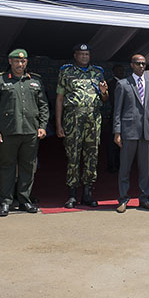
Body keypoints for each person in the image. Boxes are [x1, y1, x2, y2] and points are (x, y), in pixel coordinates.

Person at [0, 49, 49, 217]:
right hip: (8, 131)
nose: (20, 64)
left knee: (28, 166)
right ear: (10, 62)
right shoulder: (0, 80)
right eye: (17, 61)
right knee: (7, 166)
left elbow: (43, 105)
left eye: (23, 61)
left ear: (26, 62)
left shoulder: (35, 81)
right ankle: (5, 201)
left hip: (30, 131)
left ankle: (24, 200)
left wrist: (42, 126)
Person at [55, 43, 108, 208]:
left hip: (93, 119)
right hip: (73, 119)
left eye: (87, 54)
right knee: (73, 156)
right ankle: (72, 195)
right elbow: (59, 99)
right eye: (81, 54)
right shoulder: (66, 72)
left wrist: (104, 92)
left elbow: (105, 99)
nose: (85, 57)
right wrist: (58, 124)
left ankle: (87, 193)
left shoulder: (98, 73)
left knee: (91, 156)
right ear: (75, 55)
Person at [112, 54, 149, 213]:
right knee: (125, 168)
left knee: (145, 169)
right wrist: (117, 131)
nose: (141, 66)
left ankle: (145, 198)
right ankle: (123, 199)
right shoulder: (123, 84)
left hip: (146, 132)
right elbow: (117, 110)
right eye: (138, 63)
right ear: (131, 65)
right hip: (128, 132)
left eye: (144, 64)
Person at [105, 64, 126, 174]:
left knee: (122, 143)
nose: (121, 71)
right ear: (114, 71)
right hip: (116, 116)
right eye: (119, 69)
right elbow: (114, 101)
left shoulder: (125, 83)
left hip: (125, 118)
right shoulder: (111, 84)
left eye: (122, 69)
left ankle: (119, 165)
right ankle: (112, 165)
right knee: (113, 142)